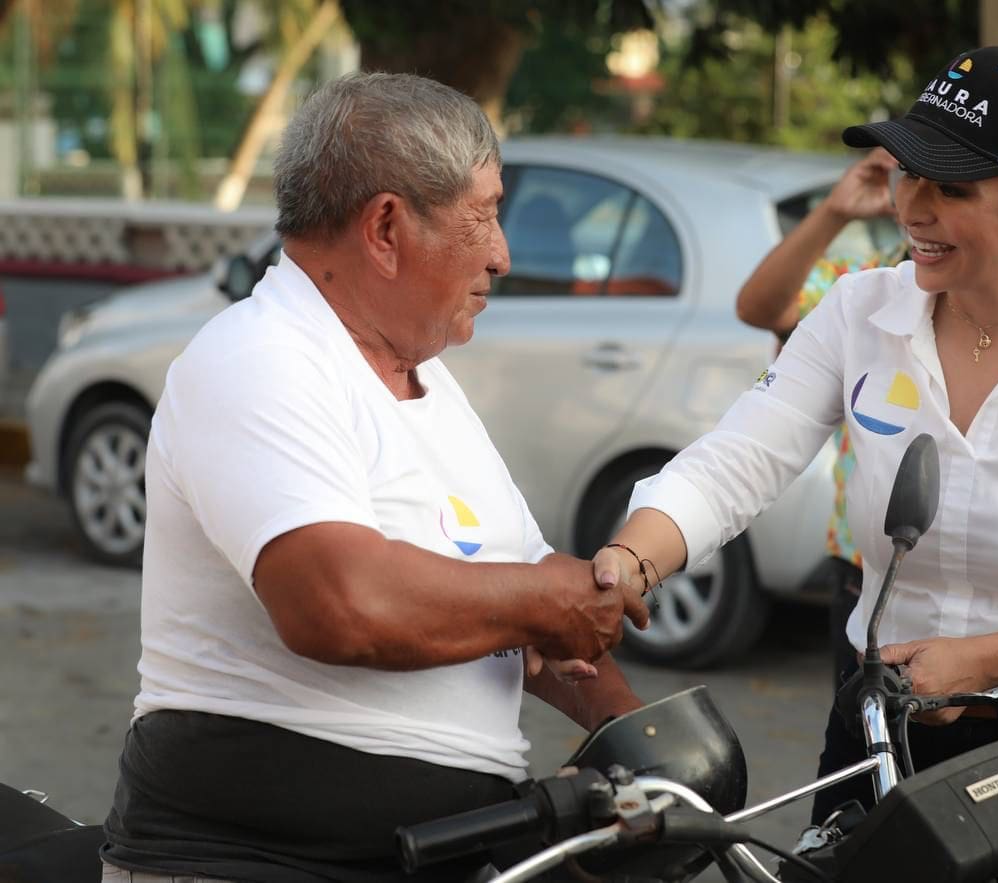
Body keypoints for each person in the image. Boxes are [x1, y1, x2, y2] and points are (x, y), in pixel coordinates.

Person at [593, 46, 998, 883]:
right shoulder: (860, 311)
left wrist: (986, 659)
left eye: (951, 188)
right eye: (909, 173)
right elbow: (738, 459)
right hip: (883, 739)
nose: (912, 206)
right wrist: (633, 557)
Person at [99, 73, 648, 883]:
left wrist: (650, 743)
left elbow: (540, 622)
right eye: (485, 212)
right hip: (252, 860)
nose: (501, 252)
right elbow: (340, 602)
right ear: (386, 227)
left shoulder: (428, 383)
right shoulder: (258, 357)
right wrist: (546, 599)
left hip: (447, 847)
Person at [735, 147, 906, 689]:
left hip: (970, 581)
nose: (922, 198)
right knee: (862, 758)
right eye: (912, 175)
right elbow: (760, 307)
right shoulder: (866, 285)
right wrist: (836, 211)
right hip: (863, 566)